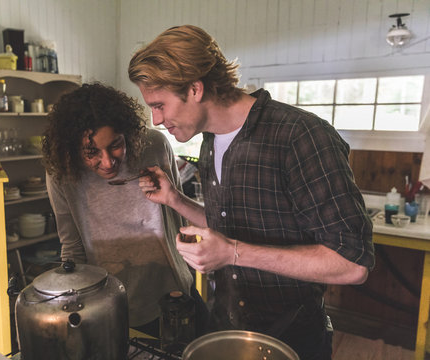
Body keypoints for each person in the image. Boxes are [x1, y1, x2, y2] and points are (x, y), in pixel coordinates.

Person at [128, 25, 374, 359]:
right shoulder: (211, 141)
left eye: (159, 105)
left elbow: (352, 263)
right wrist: (175, 199)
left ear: (195, 89)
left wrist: (231, 253)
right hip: (224, 326)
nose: (156, 120)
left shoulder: (301, 136)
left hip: (292, 336)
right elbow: (228, 226)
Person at [42, 82, 207, 338]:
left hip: (172, 291)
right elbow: (72, 247)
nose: (107, 161)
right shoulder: (61, 171)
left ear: (127, 134)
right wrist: (72, 306)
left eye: (116, 144)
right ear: (72, 148)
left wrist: (193, 272)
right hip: (107, 302)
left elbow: (180, 217)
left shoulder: (154, 145)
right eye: (91, 152)